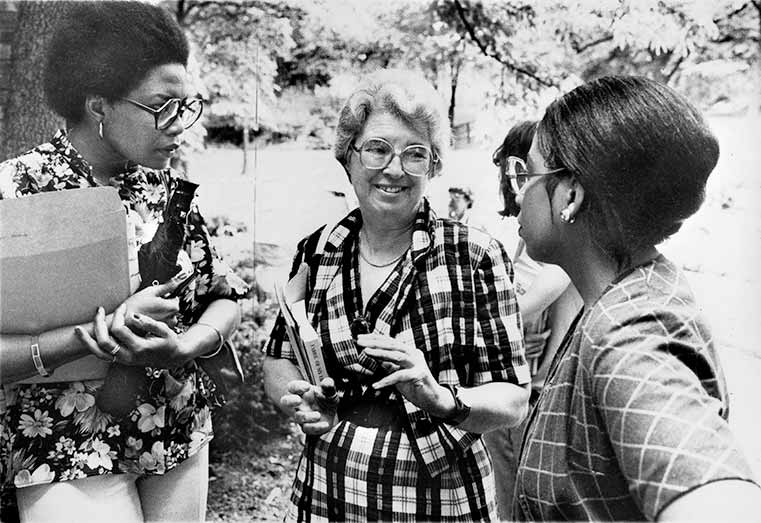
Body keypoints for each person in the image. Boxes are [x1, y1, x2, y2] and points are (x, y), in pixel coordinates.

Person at [0, 2, 248, 522]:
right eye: (162, 106)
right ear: (98, 105)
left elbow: (224, 297)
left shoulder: (166, 190)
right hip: (61, 447)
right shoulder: (14, 194)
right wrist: (88, 337)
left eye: (187, 105)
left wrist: (184, 344)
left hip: (175, 435)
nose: (179, 124)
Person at [263, 69, 531, 521]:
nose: (393, 169)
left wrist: (439, 395)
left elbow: (513, 399)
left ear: (434, 166)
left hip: (439, 492)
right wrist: (299, 396)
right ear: (347, 158)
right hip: (330, 476)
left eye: (414, 154)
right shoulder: (317, 250)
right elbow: (278, 356)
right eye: (377, 149)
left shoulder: (475, 255)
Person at [512, 75, 761, 520]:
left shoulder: (630, 331)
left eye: (527, 173)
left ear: (569, 193)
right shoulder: (622, 294)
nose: (518, 193)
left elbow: (716, 497)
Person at [483, 120, 581, 519]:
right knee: (508, 497)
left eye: (522, 172)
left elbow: (522, 307)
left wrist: (495, 321)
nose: (513, 184)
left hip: (540, 393)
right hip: (511, 387)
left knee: (532, 501)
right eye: (509, 172)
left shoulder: (565, 236)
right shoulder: (522, 235)